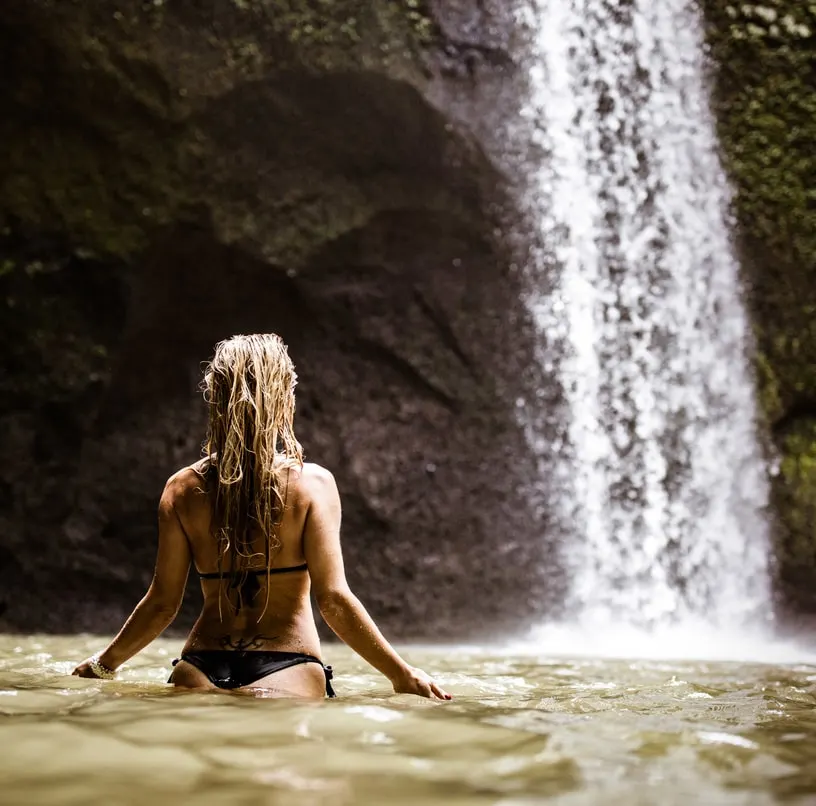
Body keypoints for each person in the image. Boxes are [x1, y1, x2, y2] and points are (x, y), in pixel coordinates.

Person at [73, 333, 451, 701]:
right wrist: (401, 674)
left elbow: (162, 603)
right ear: (284, 398)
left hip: (201, 662)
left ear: (215, 399)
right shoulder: (312, 485)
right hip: (288, 664)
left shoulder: (182, 489)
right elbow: (333, 599)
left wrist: (103, 665)